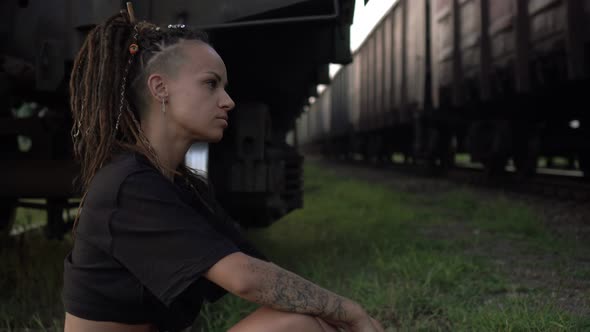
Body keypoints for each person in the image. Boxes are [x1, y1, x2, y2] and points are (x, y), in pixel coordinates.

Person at [62, 8, 385, 332]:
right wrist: (349, 311)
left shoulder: (182, 187)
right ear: (160, 88)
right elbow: (244, 279)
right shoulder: (127, 186)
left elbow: (258, 269)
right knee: (299, 324)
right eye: (211, 84)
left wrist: (339, 315)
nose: (228, 100)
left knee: (312, 318)